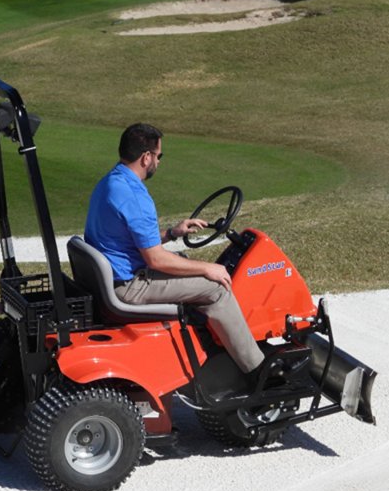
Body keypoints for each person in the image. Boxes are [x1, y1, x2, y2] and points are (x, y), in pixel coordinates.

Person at [84, 123, 267, 376]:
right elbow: (156, 260)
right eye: (159, 156)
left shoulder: (110, 183)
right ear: (146, 157)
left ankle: (209, 345)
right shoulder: (135, 196)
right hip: (129, 286)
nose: (159, 162)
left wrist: (172, 233)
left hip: (115, 278)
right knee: (216, 287)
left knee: (183, 260)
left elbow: (130, 239)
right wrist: (208, 268)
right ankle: (258, 371)